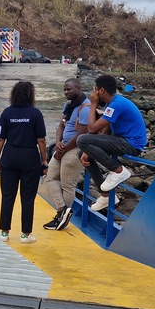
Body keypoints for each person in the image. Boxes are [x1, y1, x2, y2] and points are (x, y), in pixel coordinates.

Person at [76, 74, 148, 210]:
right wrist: (88, 150)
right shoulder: (113, 104)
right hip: (122, 140)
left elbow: (91, 129)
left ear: (101, 90)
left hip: (131, 144)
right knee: (82, 152)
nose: (93, 93)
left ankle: (118, 170)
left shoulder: (117, 104)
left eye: (94, 89)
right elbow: (106, 131)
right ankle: (106, 196)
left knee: (82, 139)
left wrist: (93, 104)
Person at [0, 81, 48, 244]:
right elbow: (41, 140)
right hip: (29, 157)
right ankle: (25, 234)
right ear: (31, 95)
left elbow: (0, 138)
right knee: (27, 197)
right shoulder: (35, 114)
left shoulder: (6, 113)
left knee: (7, 195)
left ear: (14, 95)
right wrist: (44, 160)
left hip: (9, 156)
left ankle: (4, 232)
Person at [42, 78, 91, 231]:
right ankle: (62, 210)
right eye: (64, 89)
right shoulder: (68, 105)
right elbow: (61, 126)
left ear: (78, 88)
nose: (66, 92)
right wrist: (58, 142)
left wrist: (63, 149)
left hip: (75, 149)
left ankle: (61, 219)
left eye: (69, 89)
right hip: (62, 146)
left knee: (67, 185)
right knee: (49, 177)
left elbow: (82, 135)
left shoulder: (86, 108)